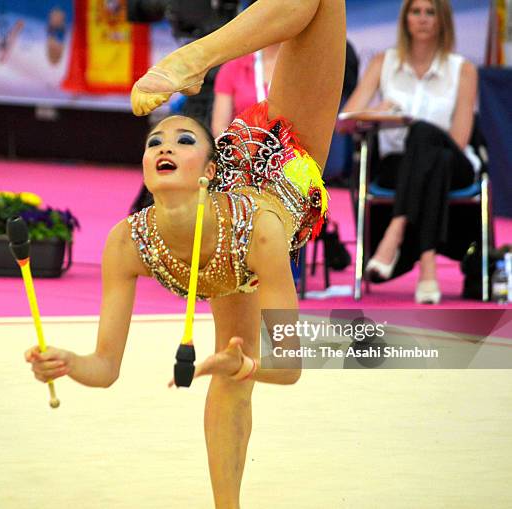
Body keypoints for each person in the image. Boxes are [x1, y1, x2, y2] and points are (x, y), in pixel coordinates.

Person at [25, 0, 345, 507]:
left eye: (183, 138)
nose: (164, 146)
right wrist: (67, 363)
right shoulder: (127, 242)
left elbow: (291, 362)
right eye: (155, 141)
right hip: (230, 237)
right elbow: (105, 368)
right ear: (146, 169)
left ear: (207, 171)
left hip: (283, 152)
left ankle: (197, 57)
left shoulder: (257, 232)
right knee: (233, 378)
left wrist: (243, 366)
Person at [342, 0, 478, 304]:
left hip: (455, 161)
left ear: (442, 20)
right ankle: (428, 266)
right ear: (405, 19)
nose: (422, 19)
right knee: (431, 157)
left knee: (424, 135)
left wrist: (420, 136)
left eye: (430, 12)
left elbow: (458, 138)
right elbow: (347, 121)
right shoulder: (383, 62)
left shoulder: (463, 69)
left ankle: (396, 228)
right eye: (416, 12)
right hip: (399, 165)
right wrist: (376, 111)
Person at [211, 43, 280, 136]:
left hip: (292, 147)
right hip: (243, 146)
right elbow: (219, 127)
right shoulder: (233, 67)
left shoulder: (300, 66)